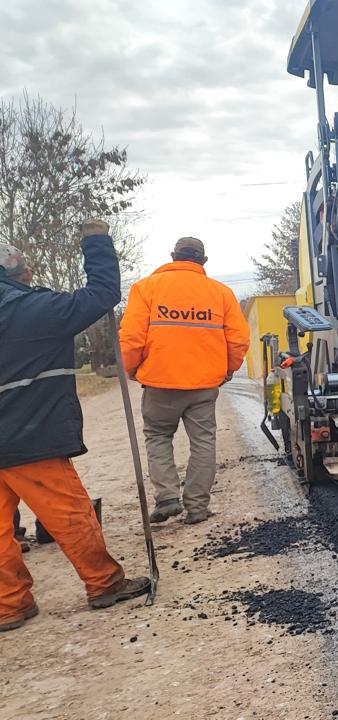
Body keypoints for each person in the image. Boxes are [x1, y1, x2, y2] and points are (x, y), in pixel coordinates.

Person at [0, 222, 152, 632]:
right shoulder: (30, 311)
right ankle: (104, 583)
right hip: (27, 438)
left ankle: (9, 605)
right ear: (20, 275)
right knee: (69, 513)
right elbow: (101, 295)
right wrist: (97, 243)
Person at [119, 238, 249, 526]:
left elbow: (130, 337)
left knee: (158, 436)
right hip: (203, 385)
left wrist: (129, 369)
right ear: (203, 261)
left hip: (159, 383)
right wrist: (227, 370)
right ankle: (197, 507)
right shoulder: (221, 293)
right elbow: (238, 339)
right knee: (203, 442)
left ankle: (166, 497)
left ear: (172, 256)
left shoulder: (146, 288)